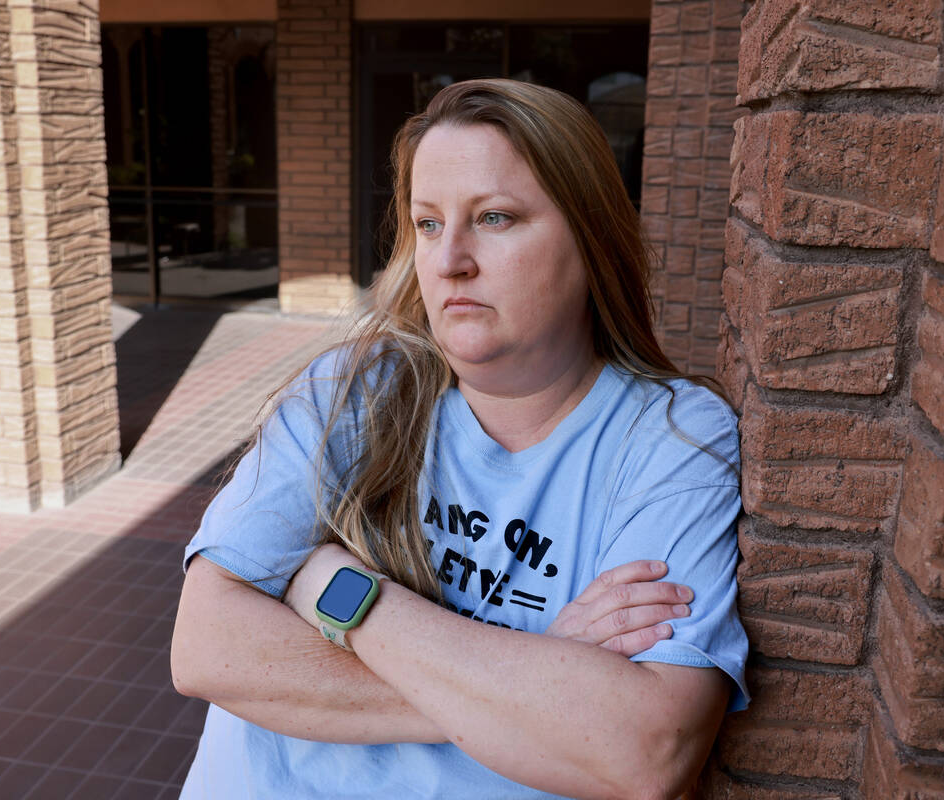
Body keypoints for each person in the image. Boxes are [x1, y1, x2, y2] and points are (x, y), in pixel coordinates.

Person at [171, 78, 749, 800]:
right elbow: (205, 649)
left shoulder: (672, 436)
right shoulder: (356, 391)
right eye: (429, 224)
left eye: (496, 217)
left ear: (590, 233)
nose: (448, 262)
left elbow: (646, 749)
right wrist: (537, 677)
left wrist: (333, 590)